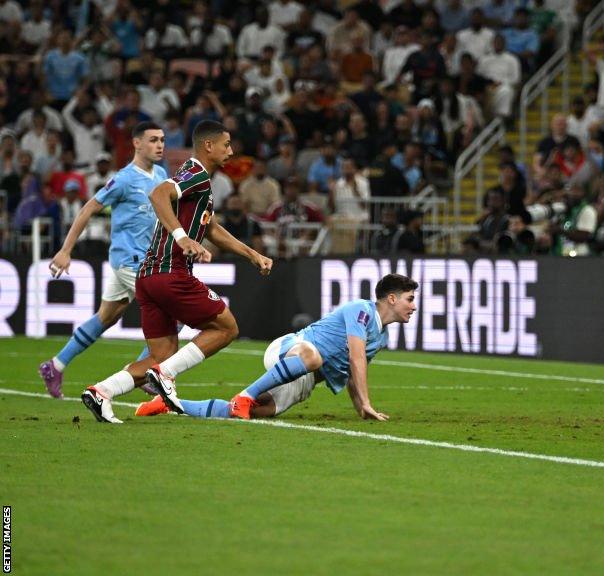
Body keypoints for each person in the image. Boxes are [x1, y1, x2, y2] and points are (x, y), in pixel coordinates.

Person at [80, 120, 274, 424]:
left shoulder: (200, 182)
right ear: (208, 146)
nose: (231, 151)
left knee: (161, 354)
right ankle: (166, 376)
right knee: (226, 328)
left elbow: (211, 227)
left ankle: (101, 392)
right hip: (171, 273)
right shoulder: (195, 171)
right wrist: (183, 238)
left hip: (149, 277)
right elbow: (158, 195)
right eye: (226, 145)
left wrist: (252, 254)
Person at [136, 273, 418, 421]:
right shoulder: (362, 310)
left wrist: (361, 408)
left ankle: (171, 405)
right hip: (291, 349)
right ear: (391, 299)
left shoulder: (382, 338)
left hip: (304, 379)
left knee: (253, 413)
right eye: (409, 299)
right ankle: (246, 394)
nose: (413, 306)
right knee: (312, 355)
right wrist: (367, 402)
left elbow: (352, 373)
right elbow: (355, 356)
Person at [39, 121, 167, 398]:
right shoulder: (123, 179)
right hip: (129, 261)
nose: (160, 145)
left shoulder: (161, 175)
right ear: (136, 143)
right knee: (171, 312)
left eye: (162, 140)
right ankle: (145, 371)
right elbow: (88, 209)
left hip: (147, 260)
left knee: (107, 316)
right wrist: (65, 249)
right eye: (154, 140)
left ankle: (55, 365)